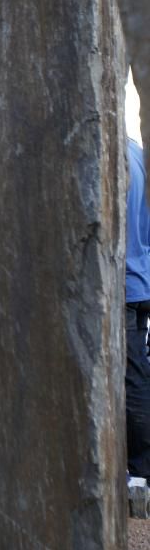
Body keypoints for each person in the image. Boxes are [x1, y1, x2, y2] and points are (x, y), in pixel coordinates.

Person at [125, 138, 150, 481]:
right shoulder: (138, 152)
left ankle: (142, 470)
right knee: (138, 372)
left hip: (124, 286)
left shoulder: (109, 156)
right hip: (142, 278)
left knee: (133, 379)